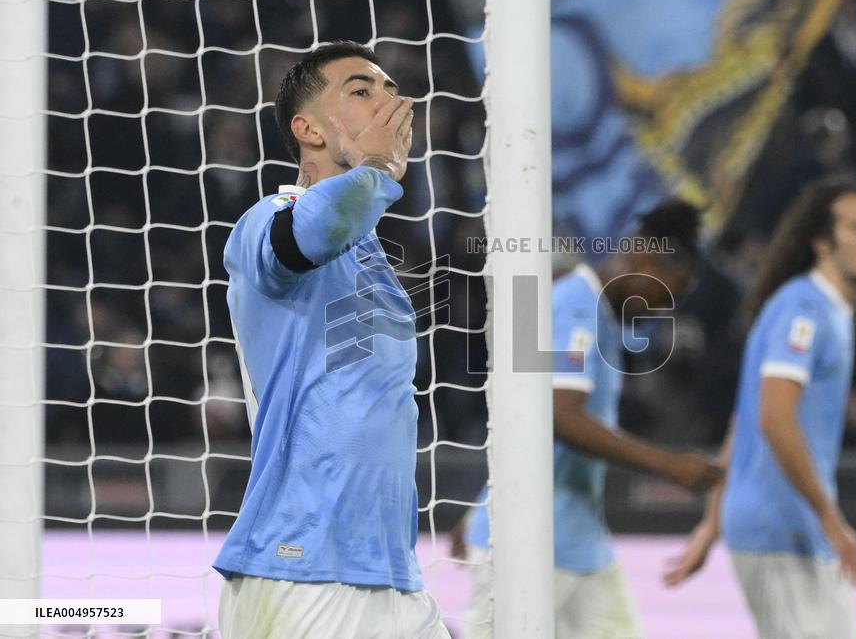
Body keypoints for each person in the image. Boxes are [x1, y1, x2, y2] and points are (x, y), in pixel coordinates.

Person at [212, 41, 449, 638]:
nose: (388, 102)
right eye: (361, 90)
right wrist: (373, 172)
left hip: (388, 572)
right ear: (307, 129)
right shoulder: (269, 218)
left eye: (390, 90)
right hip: (301, 570)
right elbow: (302, 239)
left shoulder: (365, 249)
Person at [452, 200, 723, 639]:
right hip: (528, 544)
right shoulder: (573, 307)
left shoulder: (590, 313)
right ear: (641, 258)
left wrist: (482, 502)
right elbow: (561, 418)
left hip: (575, 541)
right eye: (664, 294)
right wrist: (668, 465)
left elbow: (524, 420)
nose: (661, 310)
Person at [666, 174, 856, 639]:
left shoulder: (819, 309)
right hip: (783, 528)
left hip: (788, 526)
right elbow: (772, 418)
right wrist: (830, 516)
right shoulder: (804, 310)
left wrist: (711, 521)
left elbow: (744, 419)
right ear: (823, 243)